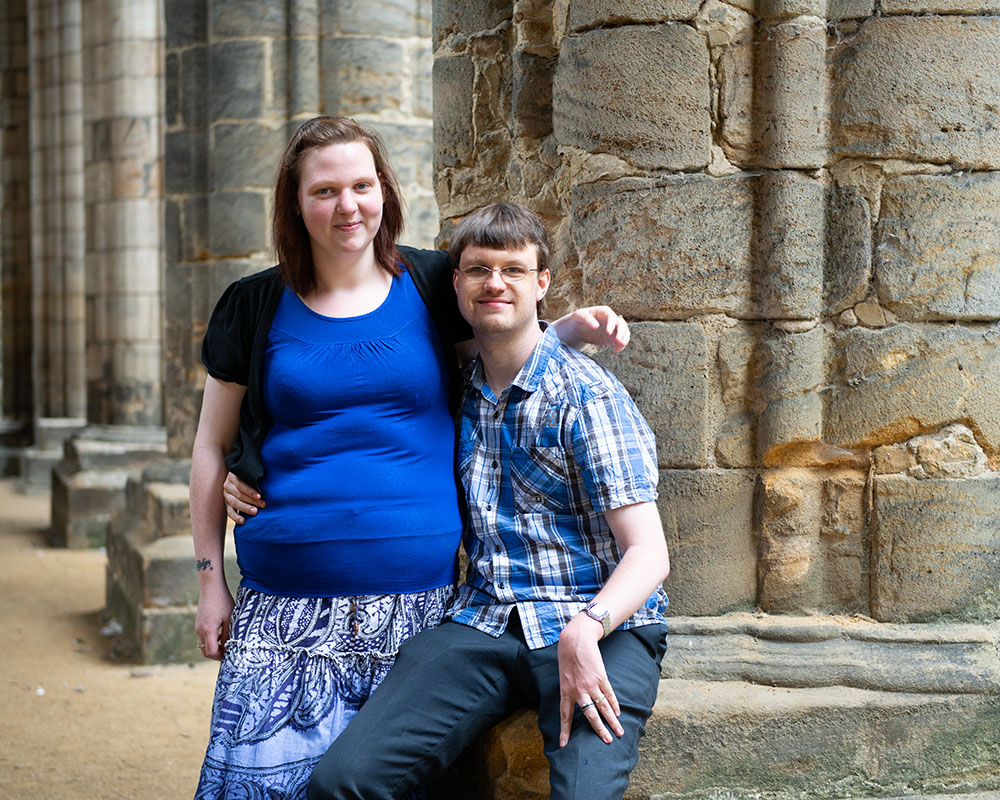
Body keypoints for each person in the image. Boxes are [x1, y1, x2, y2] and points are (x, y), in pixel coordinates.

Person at [190, 117, 632, 799]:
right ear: (294, 202)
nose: (347, 206)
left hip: (419, 611)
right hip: (284, 613)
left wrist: (570, 329)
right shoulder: (253, 305)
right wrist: (209, 581)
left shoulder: (429, 282)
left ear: (384, 192)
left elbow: (500, 337)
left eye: (362, 185)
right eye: (325, 190)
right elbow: (210, 446)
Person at [307, 202, 670, 800]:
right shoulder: (460, 385)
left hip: (601, 622)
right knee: (342, 783)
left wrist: (588, 628)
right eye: (478, 269)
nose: (494, 283)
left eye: (513, 269)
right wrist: (242, 468)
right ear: (456, 282)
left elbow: (649, 553)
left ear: (541, 283)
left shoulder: (588, 397)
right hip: (485, 620)